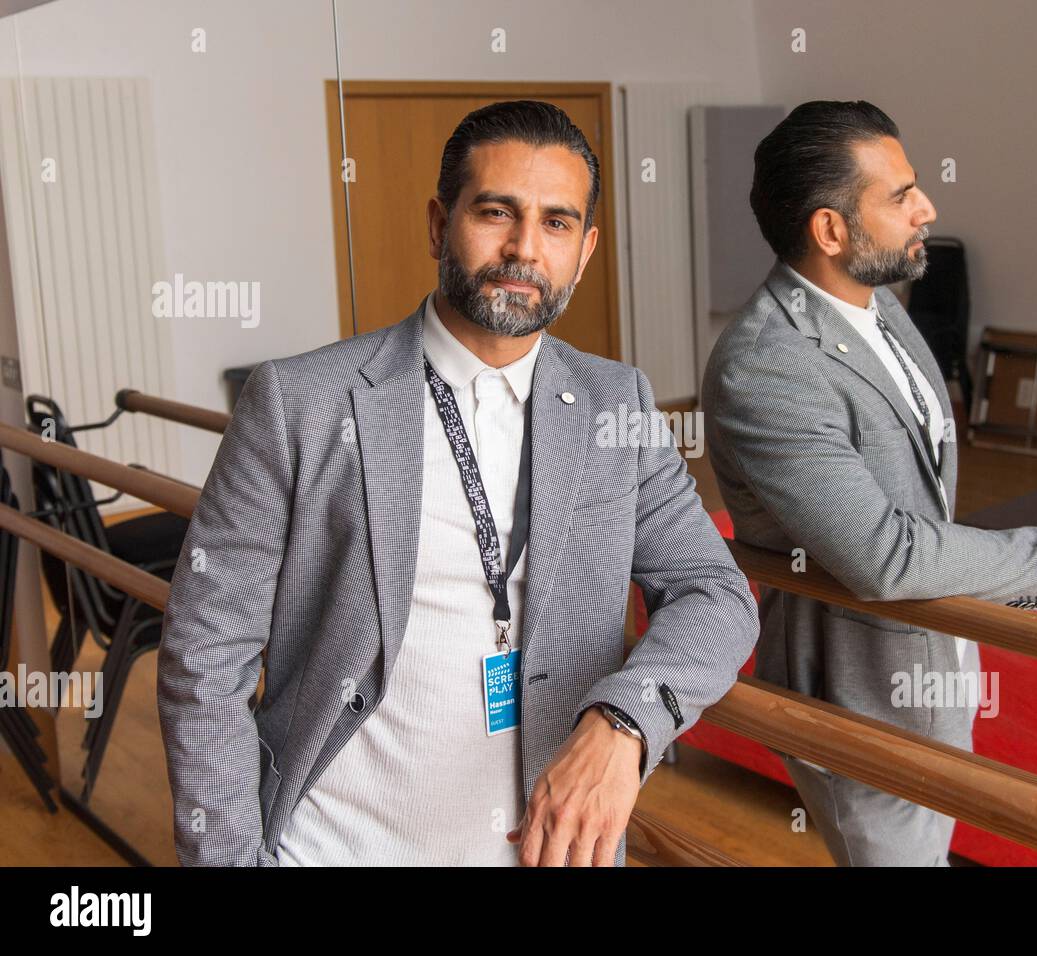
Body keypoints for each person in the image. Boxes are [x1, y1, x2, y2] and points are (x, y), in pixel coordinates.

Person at [158, 99, 758, 867]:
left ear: (586, 248)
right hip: (327, 849)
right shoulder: (299, 402)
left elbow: (715, 591)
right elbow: (204, 659)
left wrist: (626, 722)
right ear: (440, 225)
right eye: (496, 212)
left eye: (557, 223)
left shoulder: (619, 404)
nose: (524, 249)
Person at [701, 99, 1037, 867]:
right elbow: (884, 554)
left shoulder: (878, 302)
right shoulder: (769, 364)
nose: (927, 208)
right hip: (860, 688)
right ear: (830, 230)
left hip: (940, 653)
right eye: (900, 196)